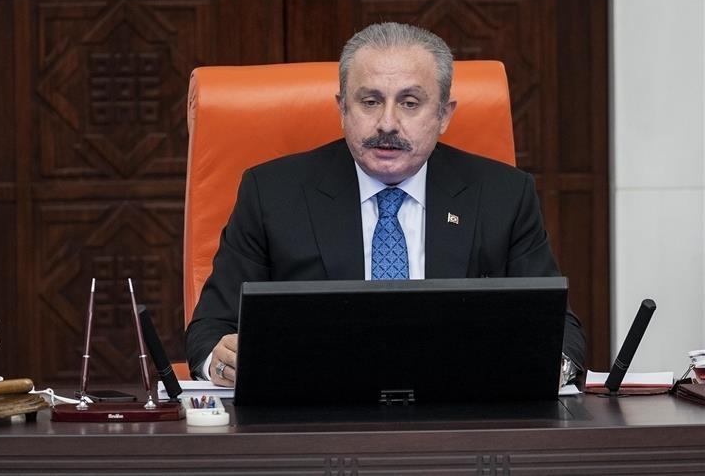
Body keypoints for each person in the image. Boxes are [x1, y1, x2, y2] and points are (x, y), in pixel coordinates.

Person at [185, 22, 586, 387]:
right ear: (342, 108)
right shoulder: (271, 193)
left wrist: (556, 364)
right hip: (315, 414)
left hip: (460, 414)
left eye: (410, 102)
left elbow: (559, 329)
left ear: (444, 115)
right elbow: (210, 330)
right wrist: (220, 362)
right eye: (370, 101)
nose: (388, 124)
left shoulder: (504, 195)